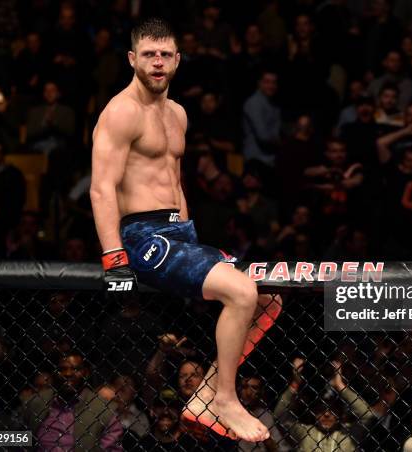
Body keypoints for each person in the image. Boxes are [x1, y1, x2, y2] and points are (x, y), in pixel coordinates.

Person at [90, 17, 282, 442]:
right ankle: (227, 400)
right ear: (132, 59)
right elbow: (102, 188)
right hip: (143, 237)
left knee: (267, 299)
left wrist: (192, 242)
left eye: (164, 55)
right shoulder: (121, 111)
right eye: (148, 55)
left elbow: (174, 182)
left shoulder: (177, 113)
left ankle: (210, 391)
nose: (157, 63)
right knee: (243, 292)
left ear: (177, 59)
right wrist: (114, 258)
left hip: (180, 234)